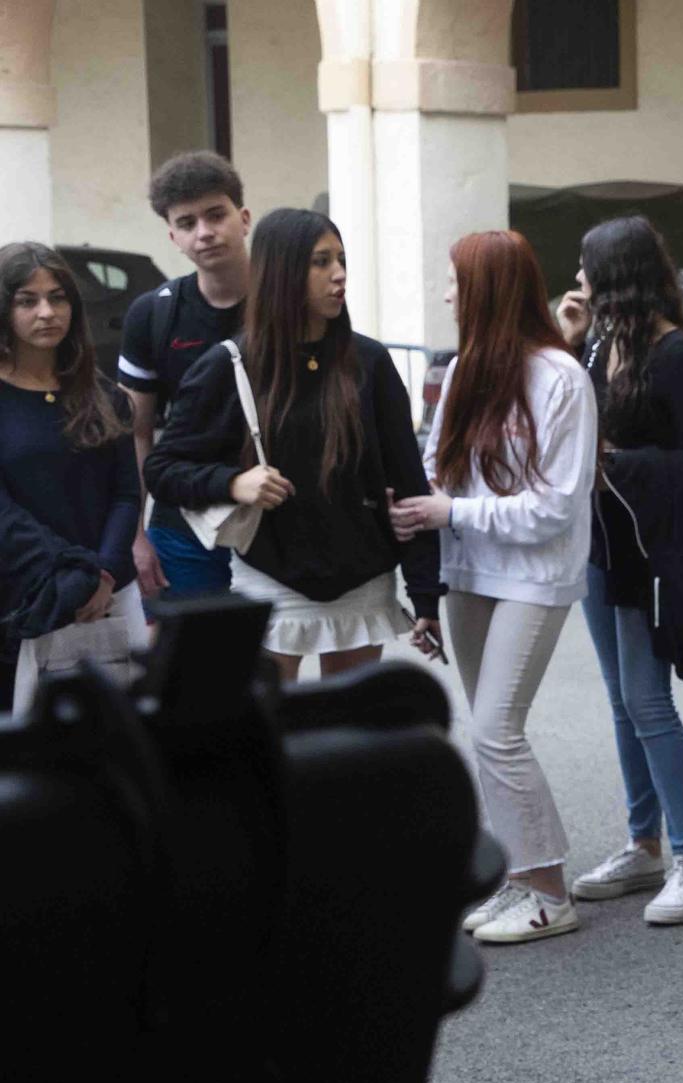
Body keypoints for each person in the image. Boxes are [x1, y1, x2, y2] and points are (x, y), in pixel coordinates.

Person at [390, 231, 597, 945]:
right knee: (487, 732)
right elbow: (437, 467)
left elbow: (555, 506)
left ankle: (549, 890)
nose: (447, 294)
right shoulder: (466, 368)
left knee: (496, 731)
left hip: (536, 574)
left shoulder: (560, 377)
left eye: (454, 281)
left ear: (486, 289)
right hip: (472, 569)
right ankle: (518, 880)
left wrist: (448, 511)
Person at [145, 208, 444, 682]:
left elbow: (408, 483)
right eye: (321, 262)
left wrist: (426, 593)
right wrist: (232, 482)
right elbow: (163, 468)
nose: (339, 274)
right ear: (283, 271)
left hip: (362, 577)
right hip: (271, 576)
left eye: (341, 259)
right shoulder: (231, 365)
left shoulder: (368, 361)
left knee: (350, 733)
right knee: (273, 732)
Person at [556, 216, 683, 926]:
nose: (577, 282)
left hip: (651, 547)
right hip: (600, 543)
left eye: (586, 270)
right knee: (622, 698)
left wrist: (617, 464)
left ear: (615, 276)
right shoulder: (595, 343)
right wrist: (563, 343)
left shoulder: (675, 353)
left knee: (649, 700)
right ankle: (642, 841)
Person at [0, 243, 142, 708]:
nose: (46, 312)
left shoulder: (104, 394)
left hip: (110, 596)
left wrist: (102, 572)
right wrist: (75, 576)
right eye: (27, 300)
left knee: (121, 745)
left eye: (58, 297)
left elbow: (125, 493)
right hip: (28, 597)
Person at [118, 151, 251, 608]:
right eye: (188, 222)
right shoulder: (153, 313)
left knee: (275, 664)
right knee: (191, 667)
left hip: (276, 512)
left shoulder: (287, 303)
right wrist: (135, 536)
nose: (205, 232)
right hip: (182, 519)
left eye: (217, 215)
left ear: (244, 218)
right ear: (173, 235)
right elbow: (135, 433)